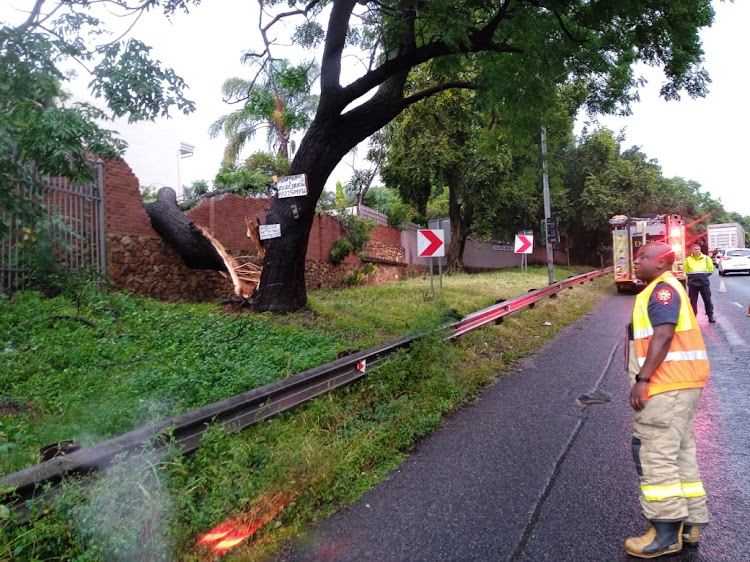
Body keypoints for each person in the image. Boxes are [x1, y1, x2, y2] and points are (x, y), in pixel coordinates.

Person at [624, 242, 710, 558]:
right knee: (680, 452)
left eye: (643, 257)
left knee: (655, 453)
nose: (636, 261)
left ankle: (664, 533)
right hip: (681, 385)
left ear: (661, 262)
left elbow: (663, 335)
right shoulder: (664, 287)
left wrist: (642, 380)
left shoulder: (661, 290)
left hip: (665, 387)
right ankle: (689, 526)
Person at [684, 243, 714, 323]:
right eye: (695, 249)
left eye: (698, 249)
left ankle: (710, 316)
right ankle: (693, 317)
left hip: (704, 282)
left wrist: (703, 276)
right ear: (691, 250)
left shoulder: (706, 258)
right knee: (693, 301)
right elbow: (685, 270)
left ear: (700, 250)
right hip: (692, 283)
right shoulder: (688, 260)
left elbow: (711, 269)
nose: (697, 251)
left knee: (707, 300)